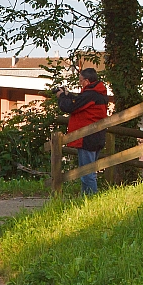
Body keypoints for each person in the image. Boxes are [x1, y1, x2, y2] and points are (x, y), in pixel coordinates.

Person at [56, 67, 109, 195]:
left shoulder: (90, 95)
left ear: (86, 81)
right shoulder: (99, 94)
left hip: (87, 138)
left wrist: (62, 96)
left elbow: (70, 106)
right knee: (90, 171)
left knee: (86, 172)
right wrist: (69, 95)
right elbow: (80, 102)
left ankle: (91, 199)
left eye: (80, 81)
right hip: (98, 136)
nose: (80, 84)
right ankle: (87, 198)